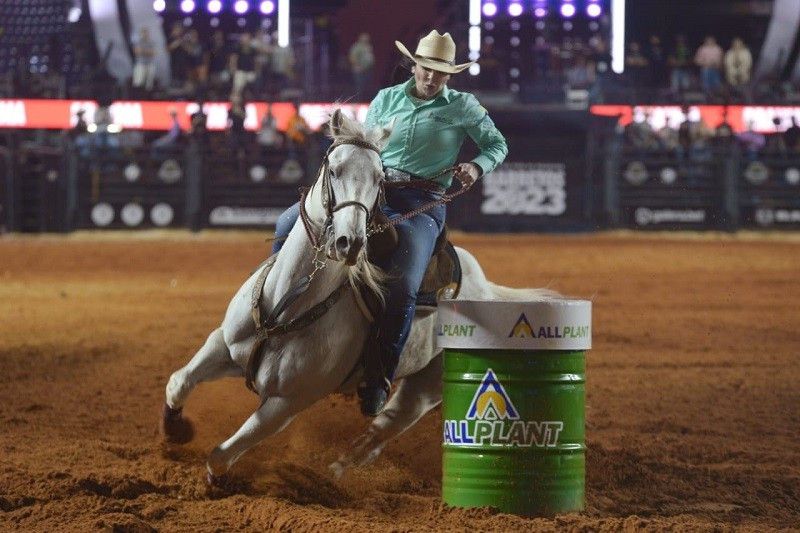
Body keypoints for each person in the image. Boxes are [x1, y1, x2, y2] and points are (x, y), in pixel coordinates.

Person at [271, 30, 507, 416]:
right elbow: (367, 143)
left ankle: (379, 376)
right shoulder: (386, 99)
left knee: (403, 285)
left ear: (450, 75)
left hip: (424, 202)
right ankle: (277, 310)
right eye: (426, 68)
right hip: (374, 193)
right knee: (287, 226)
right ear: (414, 65)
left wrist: (476, 166)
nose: (431, 77)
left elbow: (497, 145)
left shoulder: (464, 106)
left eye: (441, 72)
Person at [348, 32, 375, 100]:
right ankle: (358, 100)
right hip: (359, 70)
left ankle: (366, 100)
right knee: (359, 87)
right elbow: (352, 57)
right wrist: (358, 66)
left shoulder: (368, 46)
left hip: (367, 70)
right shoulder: (357, 47)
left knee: (367, 87)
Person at [132, 27, 156, 93]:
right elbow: (136, 52)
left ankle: (148, 95)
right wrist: (147, 52)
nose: (145, 34)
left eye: (146, 33)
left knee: (149, 83)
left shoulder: (151, 42)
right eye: (143, 33)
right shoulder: (138, 42)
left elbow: (153, 53)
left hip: (150, 63)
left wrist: (143, 51)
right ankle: (138, 94)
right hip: (141, 63)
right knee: (138, 81)